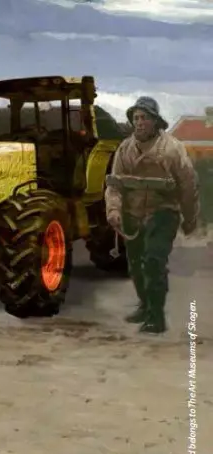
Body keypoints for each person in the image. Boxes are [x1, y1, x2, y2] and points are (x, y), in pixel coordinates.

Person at [105, 96, 200, 334]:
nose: (139, 122)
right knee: (135, 265)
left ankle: (156, 317)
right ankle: (145, 305)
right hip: (132, 213)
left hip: (163, 212)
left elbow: (188, 186)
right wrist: (114, 210)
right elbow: (114, 184)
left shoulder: (171, 149)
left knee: (154, 261)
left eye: (144, 117)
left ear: (156, 121)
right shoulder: (125, 149)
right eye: (136, 118)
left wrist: (190, 219)